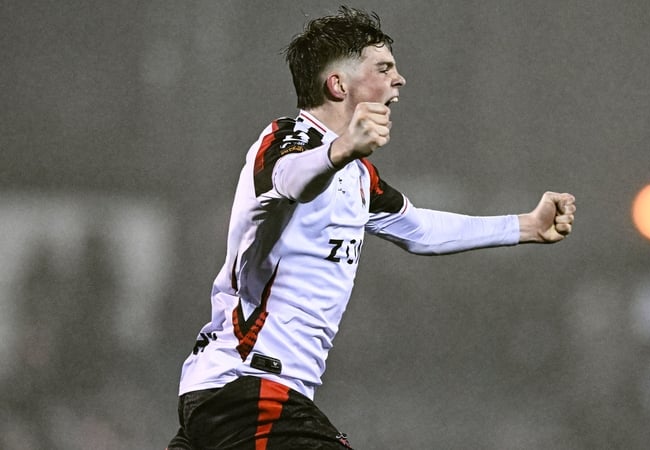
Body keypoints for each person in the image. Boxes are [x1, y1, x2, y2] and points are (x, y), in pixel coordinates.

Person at [168, 6, 576, 449]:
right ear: (338, 85)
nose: (399, 80)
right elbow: (289, 180)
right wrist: (342, 148)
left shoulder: (360, 177)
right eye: (383, 68)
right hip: (248, 389)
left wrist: (526, 226)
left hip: (234, 396)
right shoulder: (288, 139)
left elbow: (420, 230)